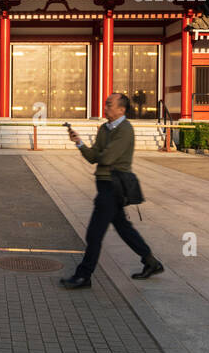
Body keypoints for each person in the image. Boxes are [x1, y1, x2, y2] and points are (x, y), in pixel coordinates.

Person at [60, 91, 164, 289]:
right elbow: (93, 157)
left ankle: (84, 275)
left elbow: (106, 158)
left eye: (109, 105)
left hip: (113, 187)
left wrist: (100, 154)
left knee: (94, 233)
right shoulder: (104, 129)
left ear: (121, 109)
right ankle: (151, 262)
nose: (105, 108)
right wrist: (80, 143)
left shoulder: (125, 130)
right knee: (124, 229)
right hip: (104, 184)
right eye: (106, 104)